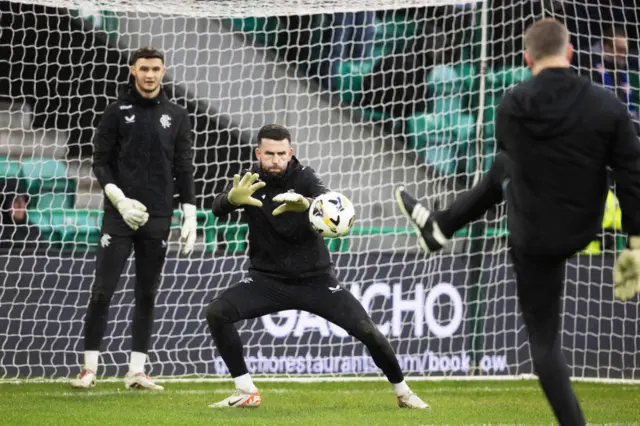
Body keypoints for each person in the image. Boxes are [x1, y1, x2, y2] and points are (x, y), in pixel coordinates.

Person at [394, 18, 640, 426]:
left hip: (534, 236)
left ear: (527, 58)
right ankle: (439, 227)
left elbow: (512, 168)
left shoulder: (511, 104)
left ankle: (440, 226)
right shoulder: (607, 105)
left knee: (544, 343)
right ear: (571, 52)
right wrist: (635, 242)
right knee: (507, 166)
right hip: (585, 226)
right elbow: (632, 173)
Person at [206, 124, 429, 409]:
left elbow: (331, 203)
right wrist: (229, 200)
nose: (276, 160)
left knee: (368, 330)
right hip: (266, 282)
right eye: (270, 154)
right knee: (217, 312)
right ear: (258, 153)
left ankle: (404, 393)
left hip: (316, 281)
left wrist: (307, 203)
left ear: (291, 152)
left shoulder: (305, 176)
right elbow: (217, 207)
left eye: (282, 154)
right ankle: (245, 390)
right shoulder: (249, 181)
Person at [70, 46, 197, 390]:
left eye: (156, 68)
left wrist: (189, 213)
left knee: (147, 293)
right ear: (133, 70)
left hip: (158, 216)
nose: (150, 74)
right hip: (119, 215)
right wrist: (119, 200)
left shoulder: (178, 116)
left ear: (164, 71)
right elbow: (100, 162)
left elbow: (183, 167)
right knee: (102, 290)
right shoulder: (115, 112)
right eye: (144, 68)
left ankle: (136, 372)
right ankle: (89, 369)